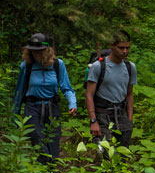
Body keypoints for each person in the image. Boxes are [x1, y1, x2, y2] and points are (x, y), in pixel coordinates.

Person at [12, 33, 77, 164]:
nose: (36, 54)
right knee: (38, 140)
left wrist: (72, 104)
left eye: (39, 51)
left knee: (53, 145)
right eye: (33, 51)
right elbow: (19, 91)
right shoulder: (26, 66)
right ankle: (42, 172)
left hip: (52, 108)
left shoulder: (58, 65)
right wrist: (15, 114)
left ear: (47, 50)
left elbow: (67, 88)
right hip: (32, 108)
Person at [86, 31, 136, 154]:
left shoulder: (130, 67)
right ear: (112, 46)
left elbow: (129, 94)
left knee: (122, 154)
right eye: (121, 48)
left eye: (127, 48)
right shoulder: (99, 66)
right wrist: (93, 121)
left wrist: (129, 118)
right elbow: (89, 94)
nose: (125, 51)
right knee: (105, 154)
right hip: (102, 114)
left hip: (121, 114)